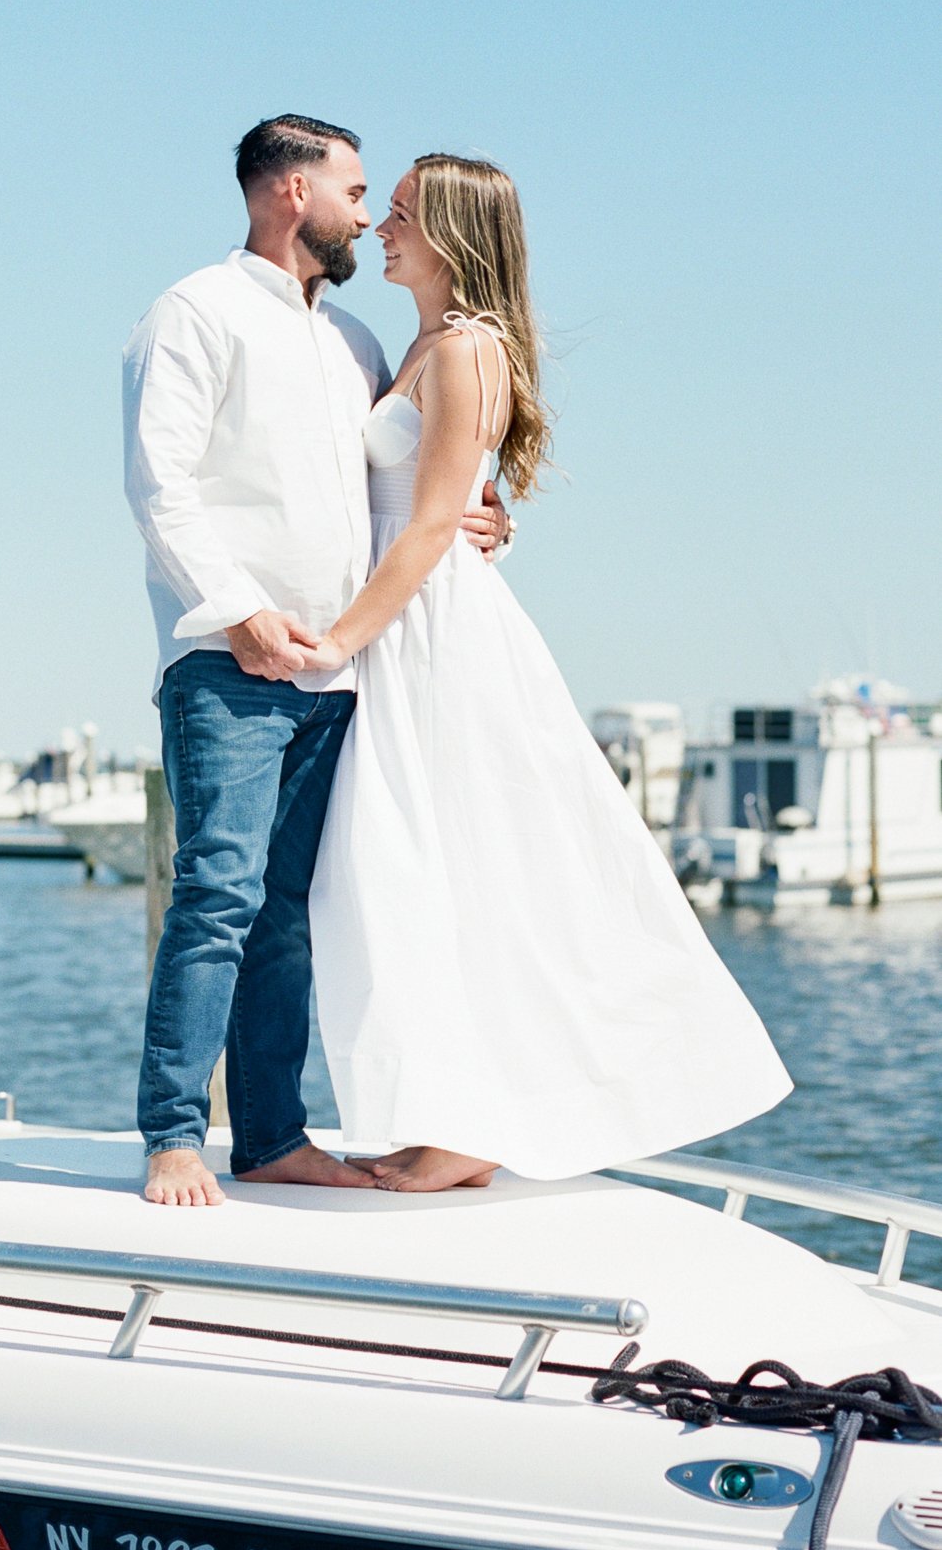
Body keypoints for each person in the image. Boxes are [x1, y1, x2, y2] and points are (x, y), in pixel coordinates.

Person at [302, 153, 791, 1189]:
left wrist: (341, 639)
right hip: (408, 615)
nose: (379, 227)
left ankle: (472, 1127)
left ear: (449, 234)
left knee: (455, 861)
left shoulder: (465, 349)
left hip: (425, 628)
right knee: (397, 872)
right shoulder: (418, 344)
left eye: (398, 213)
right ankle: (446, 1112)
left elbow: (434, 518)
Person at [123, 117, 508, 1206]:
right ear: (290, 191)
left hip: (341, 673)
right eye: (352, 189)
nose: (366, 212)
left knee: (286, 907)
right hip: (230, 663)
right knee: (215, 893)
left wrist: (484, 515)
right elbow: (160, 485)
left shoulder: (355, 345)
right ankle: (170, 1136)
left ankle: (273, 1134)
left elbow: (412, 478)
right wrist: (240, 613)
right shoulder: (191, 312)